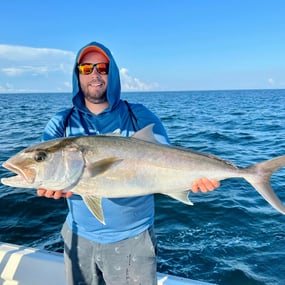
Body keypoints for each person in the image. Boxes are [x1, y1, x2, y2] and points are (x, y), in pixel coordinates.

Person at [37, 41, 220, 285]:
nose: (94, 74)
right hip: (78, 236)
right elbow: (47, 164)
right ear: (77, 73)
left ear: (111, 73)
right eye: (86, 68)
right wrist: (48, 179)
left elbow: (169, 161)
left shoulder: (138, 115)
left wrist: (193, 179)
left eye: (102, 68)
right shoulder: (61, 122)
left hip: (133, 239)